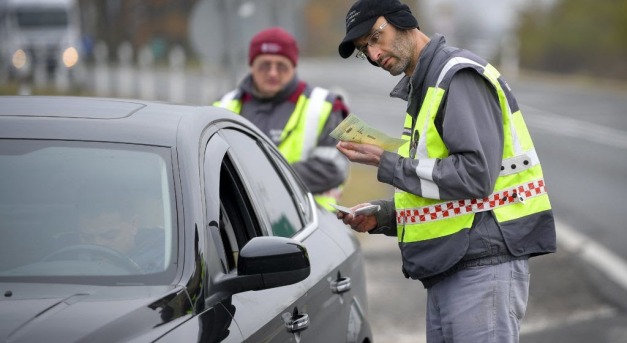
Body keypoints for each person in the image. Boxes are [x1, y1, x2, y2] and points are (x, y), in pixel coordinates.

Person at [335, 1, 556, 342]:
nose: (376, 54)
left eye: (376, 37)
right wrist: (385, 216)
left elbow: (475, 176)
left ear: (403, 21)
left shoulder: (456, 76)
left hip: (482, 266)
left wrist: (385, 161)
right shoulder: (425, 87)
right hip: (454, 266)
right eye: (366, 49)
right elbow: (439, 186)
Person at [214, 26, 350, 211]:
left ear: (293, 67)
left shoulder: (325, 106)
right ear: (251, 66)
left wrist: (266, 180)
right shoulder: (223, 106)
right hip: (242, 222)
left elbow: (334, 167)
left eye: (281, 66)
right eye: (264, 65)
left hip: (310, 224)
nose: (272, 73)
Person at [78, 208, 165, 274]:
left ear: (134, 224)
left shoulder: (163, 266)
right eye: (87, 237)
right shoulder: (68, 262)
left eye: (109, 235)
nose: (97, 244)